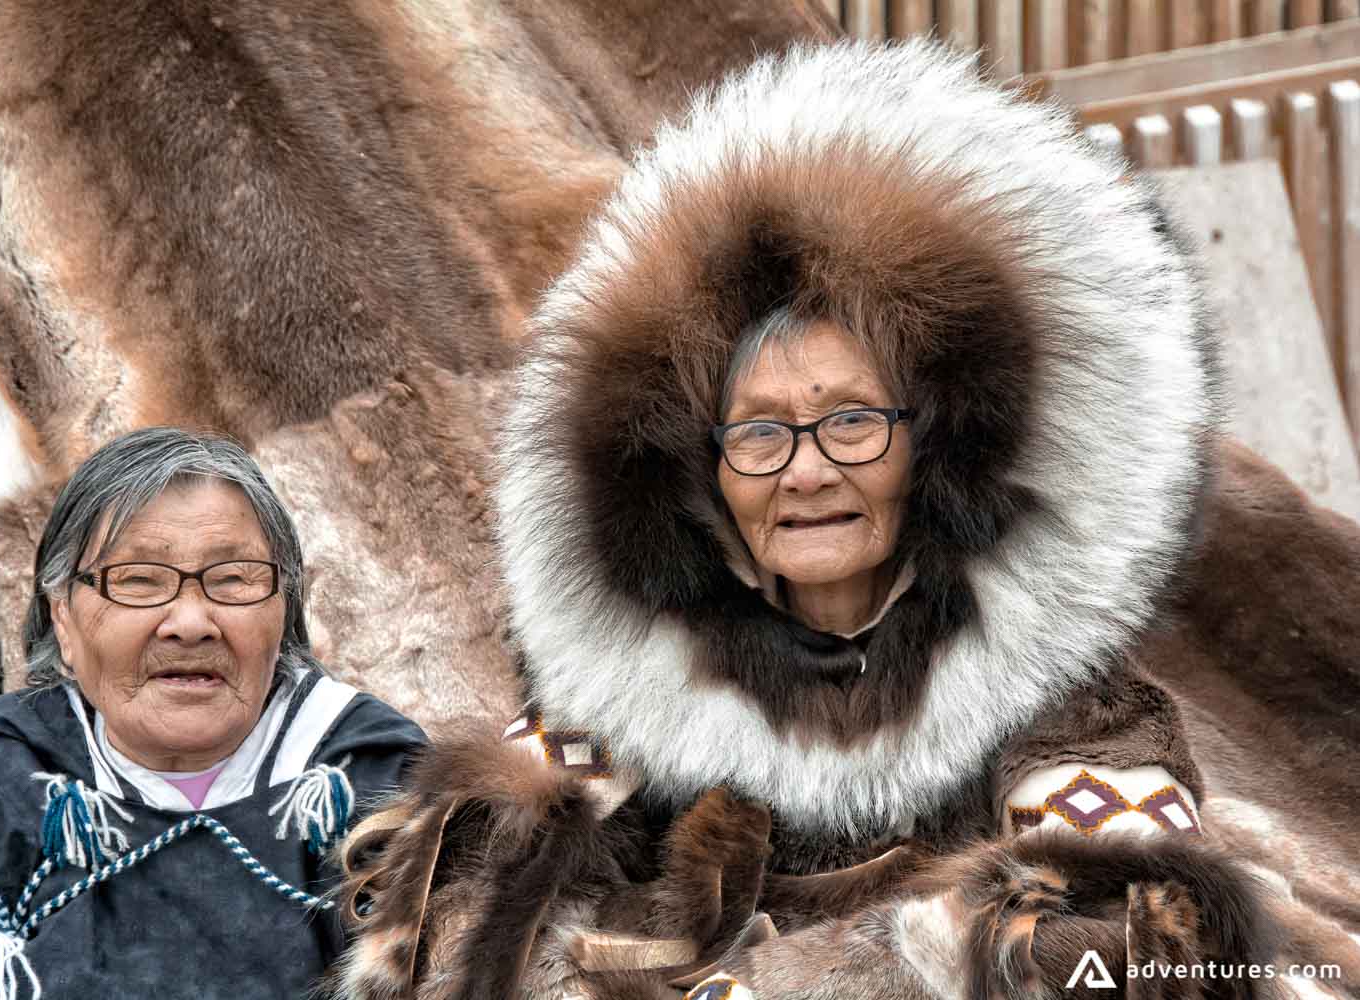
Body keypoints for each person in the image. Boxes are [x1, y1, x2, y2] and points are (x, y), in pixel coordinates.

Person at [330, 40, 1281, 1000]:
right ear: (704, 475)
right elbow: (459, 909)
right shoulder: (636, 692)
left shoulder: (1059, 694)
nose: (807, 472)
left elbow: (1134, 936)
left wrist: (777, 982)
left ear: (934, 446)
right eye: (759, 434)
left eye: (853, 422)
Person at [0, 427, 427, 1000]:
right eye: (138, 581)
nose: (190, 623)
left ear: (285, 610)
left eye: (233, 579)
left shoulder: (386, 784)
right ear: (62, 617)